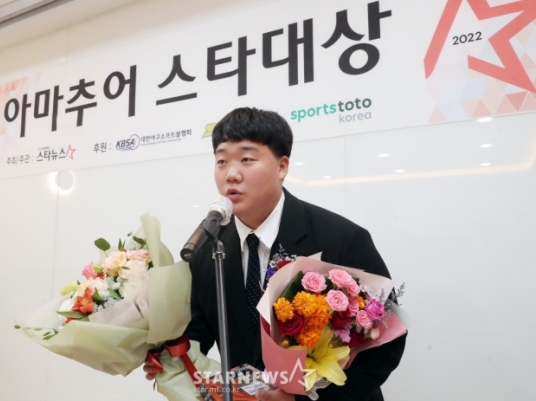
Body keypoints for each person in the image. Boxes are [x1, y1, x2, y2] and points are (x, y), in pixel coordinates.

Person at [146, 107, 406, 400]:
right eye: (221, 161)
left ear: (282, 167)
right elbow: (197, 333)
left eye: (246, 159)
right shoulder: (208, 250)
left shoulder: (341, 238)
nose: (231, 174)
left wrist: (300, 399)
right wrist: (166, 356)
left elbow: (385, 343)